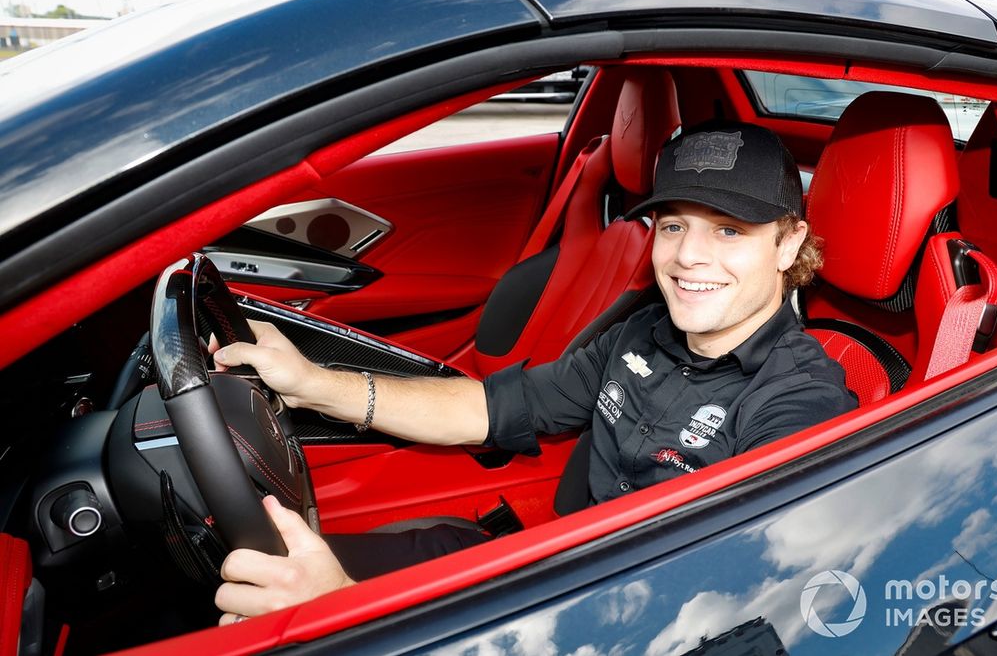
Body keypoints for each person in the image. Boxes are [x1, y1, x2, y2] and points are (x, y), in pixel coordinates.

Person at [211, 121, 858, 625]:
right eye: (673, 225)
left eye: (729, 231)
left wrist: (342, 613)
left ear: (788, 243)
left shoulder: (798, 403)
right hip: (557, 569)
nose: (688, 254)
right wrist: (312, 382)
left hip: (606, 619)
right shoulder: (642, 331)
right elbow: (488, 410)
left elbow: (727, 604)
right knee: (245, 567)